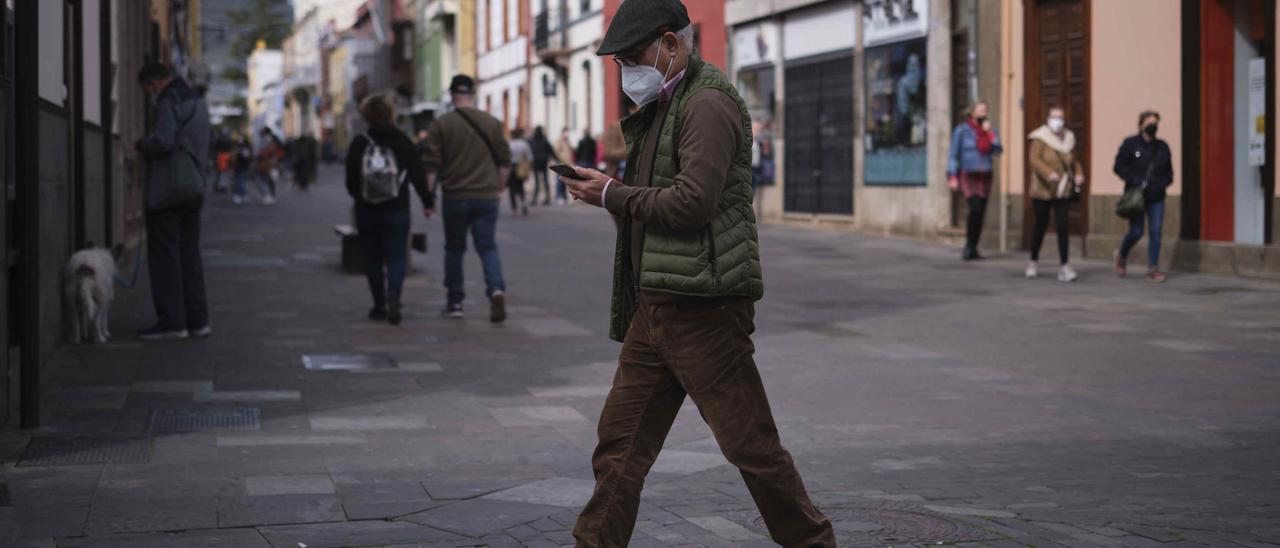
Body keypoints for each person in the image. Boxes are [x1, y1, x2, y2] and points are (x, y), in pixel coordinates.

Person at [557, 1, 836, 545]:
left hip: (705, 307)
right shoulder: (667, 100)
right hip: (656, 305)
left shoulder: (707, 103)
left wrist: (611, 194)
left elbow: (692, 204)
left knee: (751, 447)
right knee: (619, 447)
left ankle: (812, 541)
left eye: (630, 58)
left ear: (669, 44)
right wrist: (614, 188)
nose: (624, 72)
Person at [422, 75, 512, 322]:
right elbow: (505, 161)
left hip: (455, 196)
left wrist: (428, 198)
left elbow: (431, 166)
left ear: (452, 95)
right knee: (487, 247)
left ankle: (455, 303)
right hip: (486, 196)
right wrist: (499, 186)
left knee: (454, 249)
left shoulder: (441, 124)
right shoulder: (492, 123)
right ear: (474, 94)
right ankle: (495, 289)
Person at [135, 62, 211, 341]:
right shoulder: (197, 101)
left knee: (165, 255)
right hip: (194, 187)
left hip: (169, 189)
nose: (150, 94)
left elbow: (164, 141)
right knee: (189, 255)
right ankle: (198, 321)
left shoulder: (169, 99)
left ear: (155, 82)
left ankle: (172, 322)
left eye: (148, 89)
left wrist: (144, 144)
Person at [345, 94, 432, 325]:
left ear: (366, 116)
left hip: (367, 210)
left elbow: (350, 181)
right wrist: (428, 201)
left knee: (372, 258)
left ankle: (379, 305)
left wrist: (360, 197)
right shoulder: (403, 140)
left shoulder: (359, 142)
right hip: (397, 208)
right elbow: (417, 174)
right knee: (396, 257)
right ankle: (394, 292)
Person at [1113, 110, 1174, 283]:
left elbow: (1170, 173)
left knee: (1156, 231)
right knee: (1136, 231)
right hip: (1137, 196)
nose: (1153, 126)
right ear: (1141, 124)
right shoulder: (1132, 145)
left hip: (1157, 196)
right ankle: (1121, 255)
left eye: (1155, 122)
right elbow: (1118, 166)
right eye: (1149, 122)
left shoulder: (1162, 147)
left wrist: (1162, 183)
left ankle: (1153, 268)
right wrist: (1135, 180)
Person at [1026, 106, 1084, 282]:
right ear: (1048, 118)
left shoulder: (1069, 138)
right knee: (1041, 225)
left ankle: (1064, 266)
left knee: (1062, 226)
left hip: (1063, 189)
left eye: (1060, 117)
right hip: (1042, 190)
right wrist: (1048, 172)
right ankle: (1033, 261)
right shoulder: (1040, 137)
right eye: (1054, 117)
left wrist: (1080, 173)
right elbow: (1034, 159)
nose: (1057, 120)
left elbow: (1073, 160)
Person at [947, 101, 1003, 261]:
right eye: (980, 110)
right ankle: (968, 246)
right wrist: (952, 176)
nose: (983, 113)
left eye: (985, 110)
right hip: (968, 174)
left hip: (985, 175)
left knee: (981, 213)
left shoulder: (991, 130)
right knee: (975, 209)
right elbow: (953, 154)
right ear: (972, 113)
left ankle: (973, 247)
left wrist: (990, 134)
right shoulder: (962, 131)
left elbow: (998, 150)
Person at [529, 126, 558, 205]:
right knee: (545, 181)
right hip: (543, 162)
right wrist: (556, 159)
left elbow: (529, 151)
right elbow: (551, 151)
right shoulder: (545, 140)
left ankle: (535, 199)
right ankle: (547, 198)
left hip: (535, 162)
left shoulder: (531, 141)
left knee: (537, 182)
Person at [507, 127, 533, 216]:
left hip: (511, 167)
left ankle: (514, 208)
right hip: (521, 166)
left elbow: (505, 157)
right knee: (521, 187)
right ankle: (523, 204)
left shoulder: (509, 144)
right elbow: (529, 157)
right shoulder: (524, 144)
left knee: (511, 189)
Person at [254, 127, 282, 205]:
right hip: (268, 163)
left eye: (262, 131)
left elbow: (266, 152)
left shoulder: (266, 140)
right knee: (268, 180)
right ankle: (270, 196)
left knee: (260, 180)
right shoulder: (270, 140)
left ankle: (267, 195)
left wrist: (260, 154)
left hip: (265, 163)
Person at [553, 128, 575, 204]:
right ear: (562, 133)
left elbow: (570, 151)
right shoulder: (559, 141)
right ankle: (559, 196)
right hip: (560, 163)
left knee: (565, 180)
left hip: (567, 163)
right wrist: (560, 159)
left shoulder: (568, 141)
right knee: (559, 180)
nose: (567, 134)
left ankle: (564, 196)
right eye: (566, 133)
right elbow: (556, 152)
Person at [232, 135, 254, 204]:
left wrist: (238, 153)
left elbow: (246, 158)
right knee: (239, 181)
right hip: (238, 167)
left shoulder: (245, 149)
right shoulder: (237, 148)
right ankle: (241, 195)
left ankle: (241, 195)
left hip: (242, 167)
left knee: (240, 182)